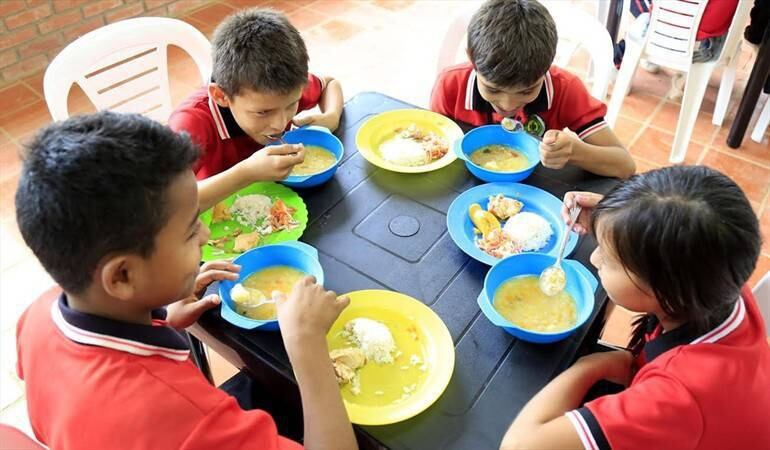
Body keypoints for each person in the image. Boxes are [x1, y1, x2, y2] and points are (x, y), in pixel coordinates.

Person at [14, 112, 357, 450]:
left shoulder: (38, 314)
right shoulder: (183, 418)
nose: (206, 233)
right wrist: (307, 348)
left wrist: (162, 320)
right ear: (122, 276)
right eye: (191, 229)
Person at [500, 165, 770, 449]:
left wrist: (589, 366)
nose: (594, 258)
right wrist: (618, 221)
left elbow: (518, 445)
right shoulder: (714, 277)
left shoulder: (677, 395)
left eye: (609, 256)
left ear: (665, 287)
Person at [430, 0, 635, 179]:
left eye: (526, 91)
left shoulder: (564, 89)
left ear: (548, 65)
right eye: (493, 90)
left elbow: (625, 165)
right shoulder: (450, 86)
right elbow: (434, 146)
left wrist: (575, 152)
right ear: (472, 58)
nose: (507, 105)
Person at [169, 8, 344, 211]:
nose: (280, 123)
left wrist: (331, 116)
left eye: (291, 105)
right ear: (221, 96)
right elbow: (167, 204)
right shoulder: (190, 124)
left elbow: (330, 84)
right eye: (263, 112)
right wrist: (248, 173)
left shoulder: (279, 92)